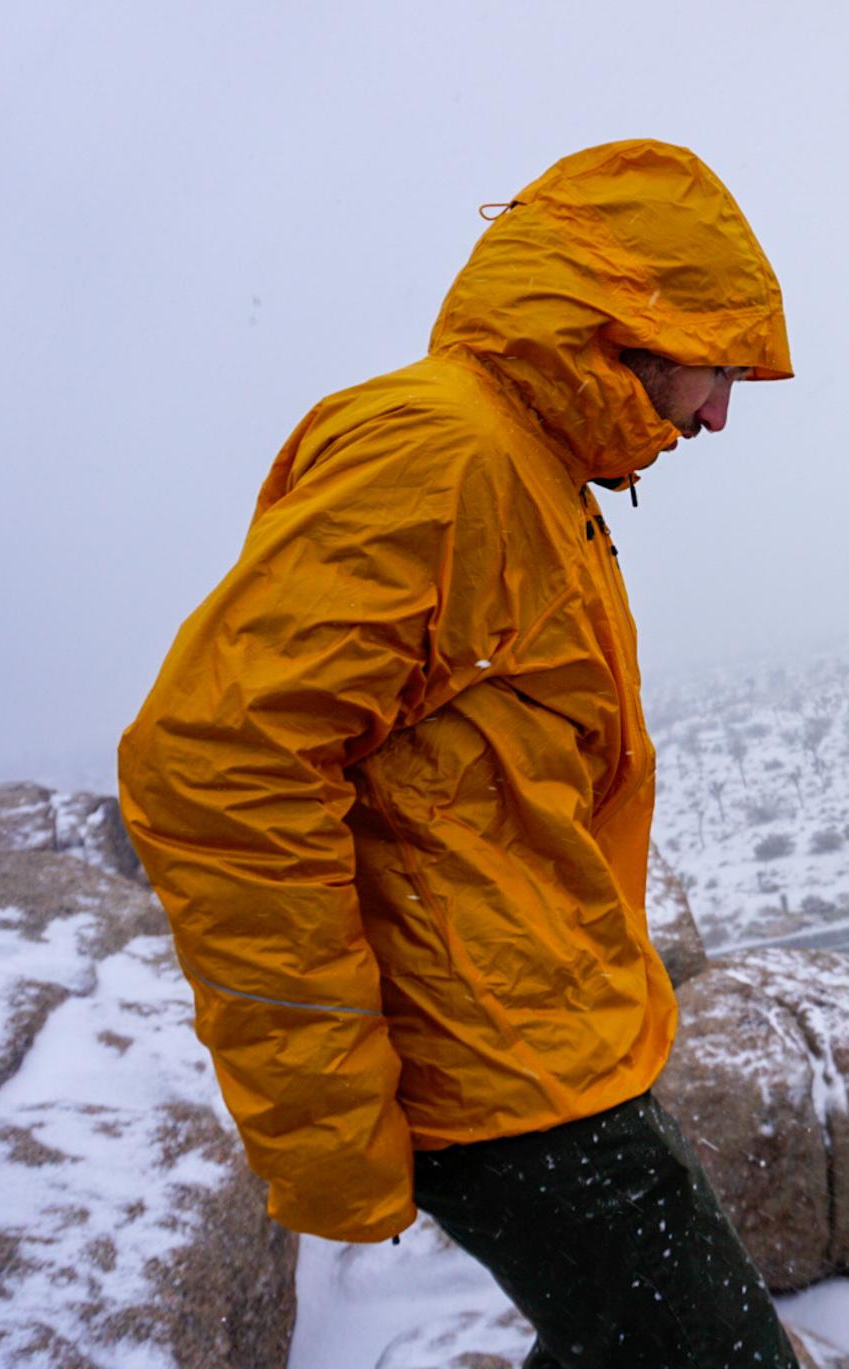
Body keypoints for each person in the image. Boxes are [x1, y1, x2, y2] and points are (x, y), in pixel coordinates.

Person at [117, 140, 798, 1368]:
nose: (719, 414)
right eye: (715, 367)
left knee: (625, 1337)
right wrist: (324, 1107)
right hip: (498, 1070)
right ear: (617, 323)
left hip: (548, 1040)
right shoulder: (445, 457)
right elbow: (218, 755)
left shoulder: (537, 471)